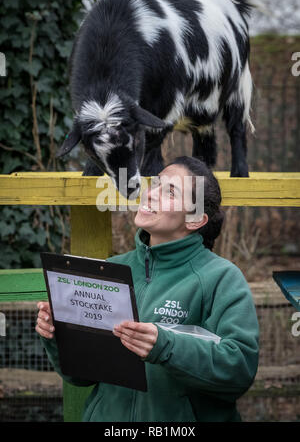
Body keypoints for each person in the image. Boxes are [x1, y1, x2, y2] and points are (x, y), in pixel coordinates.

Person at [36, 156, 259, 422]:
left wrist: (166, 345)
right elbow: (80, 376)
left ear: (195, 219)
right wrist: (58, 335)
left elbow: (239, 370)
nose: (150, 194)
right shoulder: (111, 270)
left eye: (171, 191)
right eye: (155, 184)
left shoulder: (221, 277)